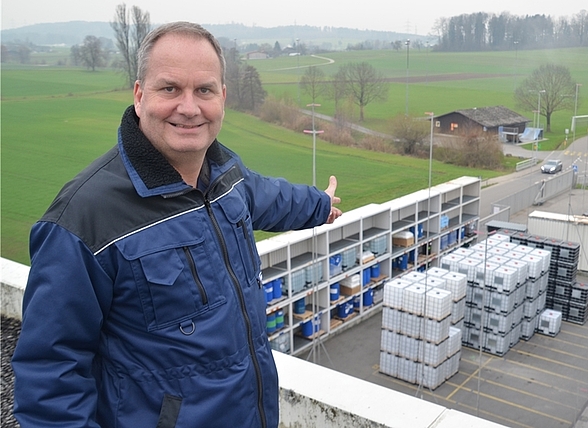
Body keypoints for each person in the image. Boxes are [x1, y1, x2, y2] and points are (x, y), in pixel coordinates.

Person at [12, 22, 341, 428]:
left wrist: (318, 206)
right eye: (170, 88)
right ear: (139, 95)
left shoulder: (223, 172)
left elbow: (265, 197)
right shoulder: (84, 220)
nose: (189, 107)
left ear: (222, 98)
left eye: (204, 90)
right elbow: (50, 375)